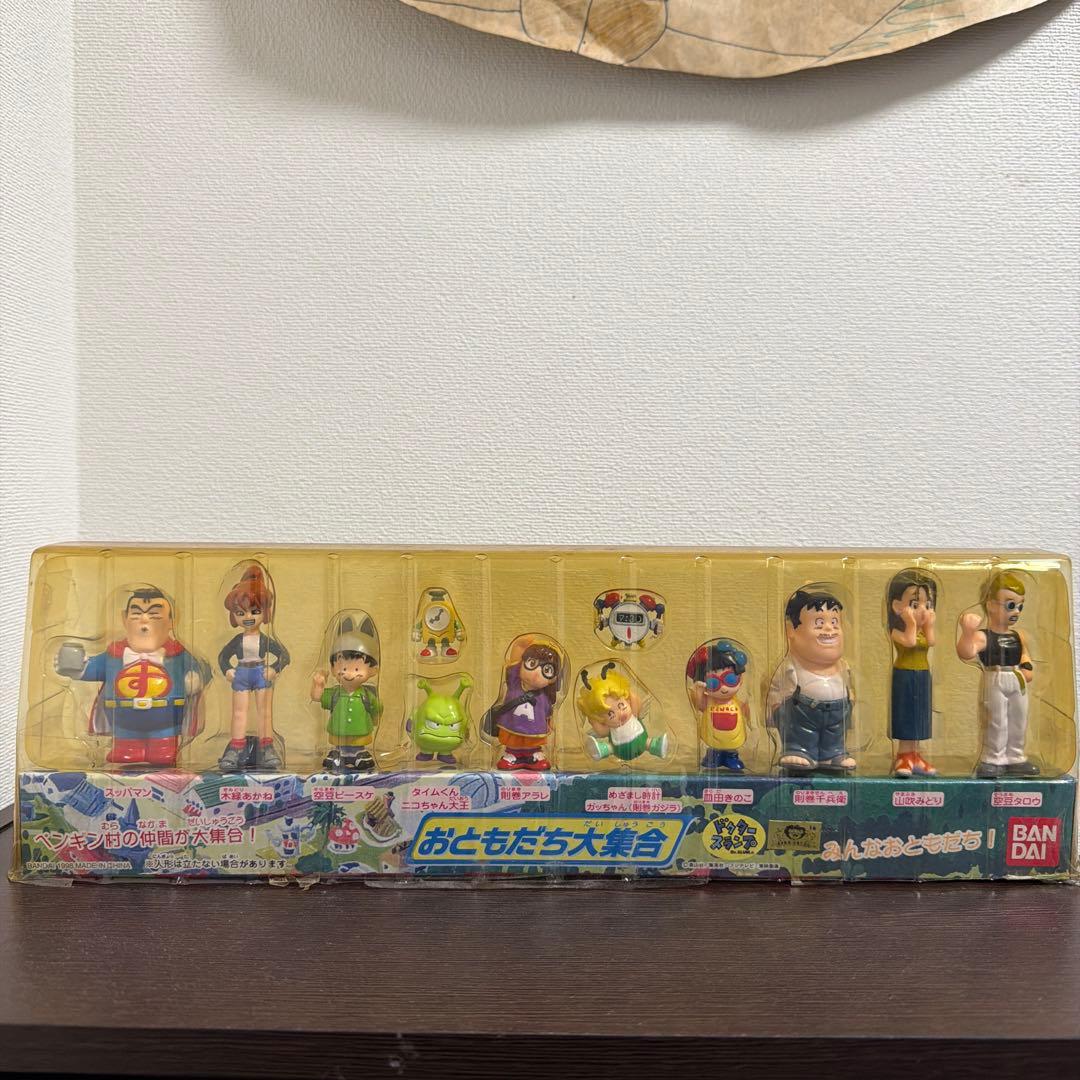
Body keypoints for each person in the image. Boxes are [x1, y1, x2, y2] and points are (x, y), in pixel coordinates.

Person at [54, 586, 209, 767]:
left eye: (155, 615)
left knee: (163, 751)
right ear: (124, 619)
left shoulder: (178, 655)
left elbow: (203, 668)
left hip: (166, 720)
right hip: (123, 721)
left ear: (171, 621)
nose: (144, 620)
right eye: (136, 614)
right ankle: (128, 748)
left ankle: (163, 748)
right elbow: (93, 668)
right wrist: (75, 668)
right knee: (126, 750)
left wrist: (195, 679)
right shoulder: (113, 655)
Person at [956, 571, 1037, 778]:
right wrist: (967, 632)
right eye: (1010, 605)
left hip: (1016, 677)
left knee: (1019, 718)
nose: (1016, 611)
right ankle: (993, 758)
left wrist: (1027, 666)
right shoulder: (983, 636)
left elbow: (1024, 654)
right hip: (995, 678)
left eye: (1020, 606)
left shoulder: (1018, 635)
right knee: (996, 719)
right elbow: (966, 653)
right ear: (991, 605)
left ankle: (1015, 757)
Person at [767, 588, 855, 774]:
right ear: (791, 631)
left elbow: (849, 685)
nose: (829, 629)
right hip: (803, 711)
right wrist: (774, 710)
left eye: (834, 622)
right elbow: (775, 690)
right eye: (819, 623)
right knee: (800, 731)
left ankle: (833, 753)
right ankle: (799, 749)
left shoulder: (843, 666)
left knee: (835, 734)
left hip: (838, 711)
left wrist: (851, 701)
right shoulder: (790, 667)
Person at [217, 564, 290, 771]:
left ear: (264, 613)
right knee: (239, 713)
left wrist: (274, 668)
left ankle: (267, 748)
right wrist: (227, 670)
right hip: (241, 673)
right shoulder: (237, 640)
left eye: (255, 611)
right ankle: (236, 748)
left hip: (260, 673)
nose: (248, 617)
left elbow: (284, 655)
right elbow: (223, 656)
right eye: (241, 612)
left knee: (264, 712)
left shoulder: (265, 640)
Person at [311, 617, 383, 773]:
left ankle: (359, 754)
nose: (349, 674)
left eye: (357, 669)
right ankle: (340, 753)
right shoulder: (335, 694)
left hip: (360, 735)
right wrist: (318, 685)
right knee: (338, 750)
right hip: (338, 736)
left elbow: (377, 708)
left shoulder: (366, 695)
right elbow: (317, 697)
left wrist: (375, 717)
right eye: (343, 668)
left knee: (360, 750)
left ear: (372, 670)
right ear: (333, 668)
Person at [482, 636, 564, 771]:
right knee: (513, 740)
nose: (536, 673)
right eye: (532, 663)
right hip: (512, 724)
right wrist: (519, 646)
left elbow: (548, 713)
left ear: (553, 679)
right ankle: (512, 754)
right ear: (522, 664)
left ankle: (533, 755)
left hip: (535, 728)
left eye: (546, 670)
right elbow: (513, 663)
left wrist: (550, 723)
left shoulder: (544, 696)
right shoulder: (515, 683)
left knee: (533, 742)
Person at [887, 570, 938, 777]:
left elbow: (931, 641)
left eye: (928, 605)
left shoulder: (922, 631)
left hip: (923, 675)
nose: (923, 610)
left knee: (920, 716)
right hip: (904, 676)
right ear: (897, 606)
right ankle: (903, 755)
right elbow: (909, 642)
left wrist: (929, 624)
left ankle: (915, 754)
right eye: (915, 605)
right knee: (906, 715)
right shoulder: (896, 631)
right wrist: (910, 622)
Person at [687, 639, 750, 772]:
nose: (724, 688)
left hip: (734, 736)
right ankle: (714, 756)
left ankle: (731, 757)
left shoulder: (737, 702)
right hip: (713, 736)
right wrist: (698, 691)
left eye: (730, 679)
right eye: (713, 682)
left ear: (740, 678)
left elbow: (747, 712)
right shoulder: (709, 701)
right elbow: (700, 705)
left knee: (732, 748)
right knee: (714, 748)